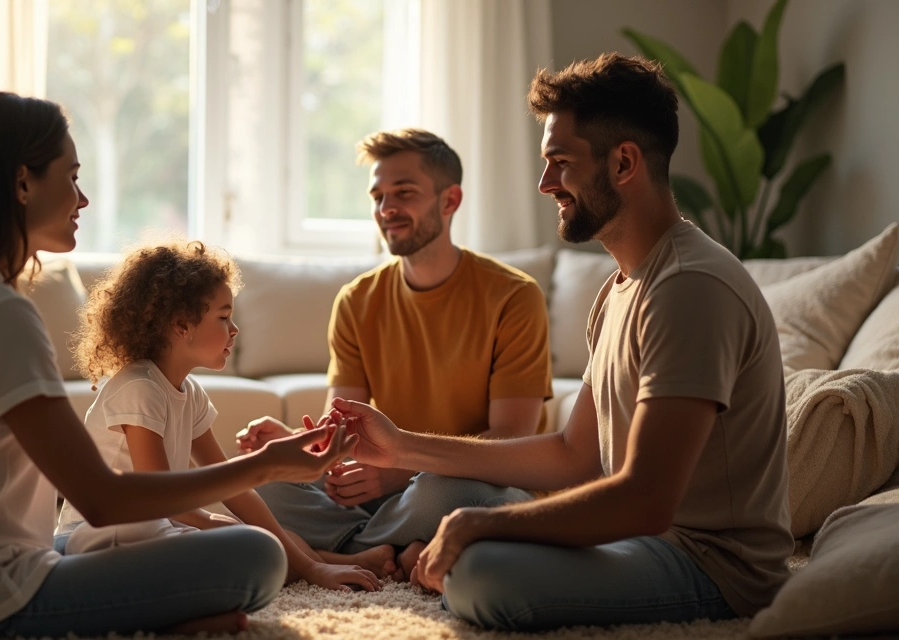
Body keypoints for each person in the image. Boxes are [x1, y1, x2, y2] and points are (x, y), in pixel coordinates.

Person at [0, 92, 357, 639]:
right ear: (22, 183)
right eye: (71, 177)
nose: (82, 199)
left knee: (230, 543)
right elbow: (101, 498)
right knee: (255, 556)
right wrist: (266, 464)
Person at [327, 53, 793, 632]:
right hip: (643, 539)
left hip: (711, 564)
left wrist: (484, 522)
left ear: (624, 163)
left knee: (479, 572)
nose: (546, 184)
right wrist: (400, 448)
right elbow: (573, 456)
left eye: (560, 163)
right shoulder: (620, 289)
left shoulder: (688, 287)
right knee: (469, 550)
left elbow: (649, 499)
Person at [237, 128, 554, 579]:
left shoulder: (514, 296)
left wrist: (402, 468)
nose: (387, 210)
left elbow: (511, 438)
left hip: (467, 483)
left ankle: (342, 551)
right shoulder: (357, 299)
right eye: (378, 196)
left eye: (404, 193)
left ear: (450, 200)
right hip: (390, 489)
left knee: (445, 496)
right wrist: (295, 446)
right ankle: (401, 552)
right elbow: (342, 429)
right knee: (261, 482)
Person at [53, 239, 389, 589]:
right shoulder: (139, 387)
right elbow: (159, 497)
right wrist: (216, 524)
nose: (235, 329)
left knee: (265, 538)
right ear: (182, 324)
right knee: (252, 549)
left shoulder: (190, 393)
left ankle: (331, 564)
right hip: (95, 537)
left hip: (153, 527)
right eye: (224, 317)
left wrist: (237, 528)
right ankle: (326, 564)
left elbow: (236, 487)